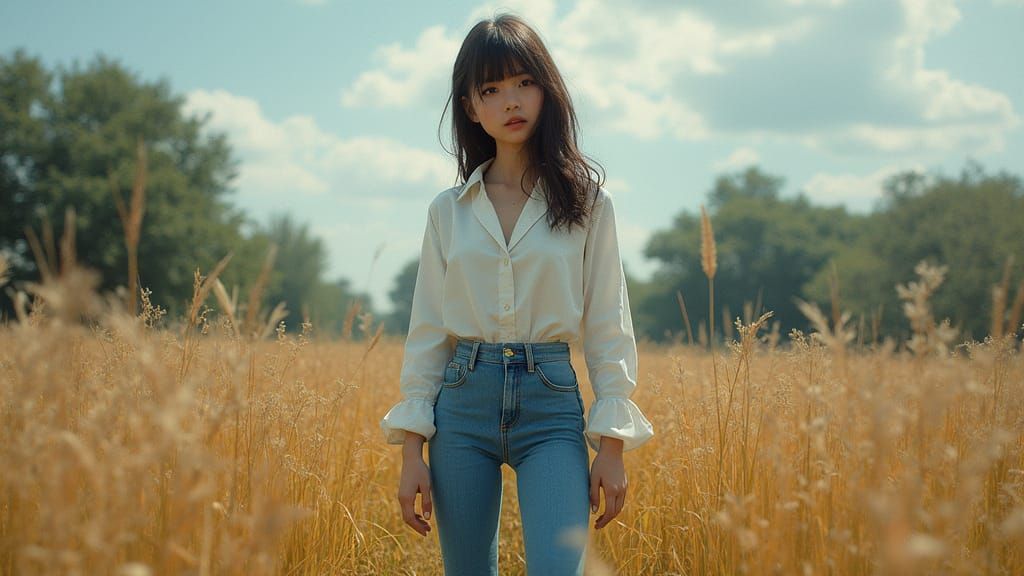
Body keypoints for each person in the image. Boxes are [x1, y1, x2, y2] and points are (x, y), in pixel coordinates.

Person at [380, 13, 654, 575]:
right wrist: (411, 452)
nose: (512, 100)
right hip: (462, 402)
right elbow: (428, 330)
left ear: (547, 90)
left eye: (525, 82)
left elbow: (608, 321)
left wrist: (612, 446)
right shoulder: (447, 211)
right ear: (469, 106)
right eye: (491, 88)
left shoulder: (588, 204)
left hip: (551, 403)